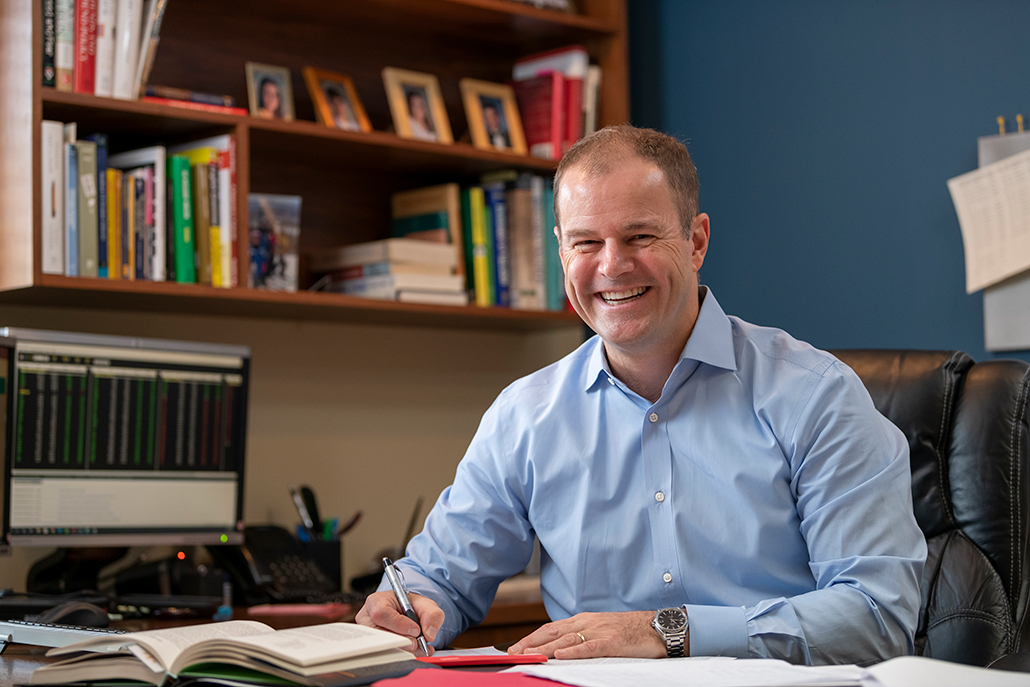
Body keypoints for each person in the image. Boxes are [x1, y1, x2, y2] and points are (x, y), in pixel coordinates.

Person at [356, 125, 927, 666]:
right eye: (586, 242)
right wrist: (407, 607)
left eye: (640, 236)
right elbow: (440, 577)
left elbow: (879, 614)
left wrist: (669, 631)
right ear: (561, 252)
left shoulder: (813, 396)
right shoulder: (524, 416)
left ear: (696, 240)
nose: (612, 265)